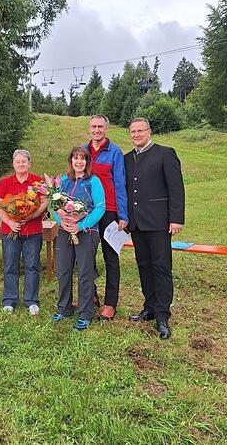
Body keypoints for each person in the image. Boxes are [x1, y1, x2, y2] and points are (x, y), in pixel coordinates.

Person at [124, 118, 185, 340]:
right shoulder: (127, 158)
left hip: (159, 223)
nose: (137, 135)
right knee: (143, 265)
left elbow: (176, 188)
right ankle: (149, 306)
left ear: (149, 131)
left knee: (161, 267)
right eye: (133, 131)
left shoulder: (165, 153)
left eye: (141, 131)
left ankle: (162, 314)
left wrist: (176, 219)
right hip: (137, 223)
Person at [51, 146, 106, 331]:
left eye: (83, 158)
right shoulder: (63, 180)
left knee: (85, 273)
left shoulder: (94, 181)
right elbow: (54, 204)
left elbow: (100, 207)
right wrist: (63, 222)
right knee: (64, 271)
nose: (79, 161)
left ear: (87, 162)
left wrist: (80, 225)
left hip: (87, 232)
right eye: (75, 158)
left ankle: (85, 313)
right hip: (65, 231)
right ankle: (64, 308)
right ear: (71, 161)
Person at [0, 149, 48, 316]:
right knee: (10, 265)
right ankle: (9, 300)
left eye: (24, 162)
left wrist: (31, 216)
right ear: (13, 164)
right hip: (10, 231)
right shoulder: (5, 182)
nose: (21, 164)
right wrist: (9, 221)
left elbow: (45, 201)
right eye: (17, 162)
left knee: (32, 265)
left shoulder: (38, 182)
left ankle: (31, 301)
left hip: (33, 230)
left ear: (29, 164)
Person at [85, 114, 129, 320]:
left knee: (111, 257)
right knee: (86, 256)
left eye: (100, 127)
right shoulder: (82, 152)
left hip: (109, 211)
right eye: (93, 126)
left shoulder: (115, 153)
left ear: (106, 129)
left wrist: (123, 214)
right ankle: (90, 296)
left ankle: (110, 303)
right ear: (89, 128)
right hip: (86, 212)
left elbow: (120, 184)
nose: (97, 130)